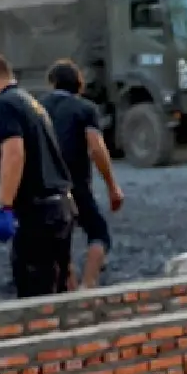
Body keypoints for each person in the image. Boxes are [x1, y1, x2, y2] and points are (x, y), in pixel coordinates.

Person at [0, 52, 77, 297]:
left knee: (35, 293)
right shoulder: (30, 102)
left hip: (38, 212)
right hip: (61, 206)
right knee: (59, 289)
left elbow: (14, 153)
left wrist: (5, 206)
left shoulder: (3, 105)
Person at [41, 60, 124, 290]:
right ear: (79, 84)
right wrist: (112, 186)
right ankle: (88, 285)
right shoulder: (85, 108)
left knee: (58, 240)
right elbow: (96, 148)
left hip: (45, 185)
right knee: (98, 233)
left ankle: (68, 289)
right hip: (76, 183)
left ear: (52, 83)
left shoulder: (38, 108)